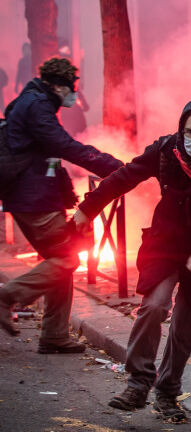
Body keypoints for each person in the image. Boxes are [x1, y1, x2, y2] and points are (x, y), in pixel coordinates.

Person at [72, 97, 191, 422]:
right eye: (189, 132)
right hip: (166, 242)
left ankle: (168, 392)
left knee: (185, 326)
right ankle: (138, 383)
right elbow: (126, 175)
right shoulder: (166, 150)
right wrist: (89, 207)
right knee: (154, 306)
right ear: (180, 129)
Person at [0, 58, 123, 348]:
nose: (73, 93)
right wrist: (113, 166)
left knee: (58, 260)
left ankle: (55, 334)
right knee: (67, 258)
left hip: (33, 195)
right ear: (56, 85)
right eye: (71, 87)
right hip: (34, 199)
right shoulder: (37, 106)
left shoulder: (29, 102)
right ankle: (6, 297)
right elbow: (63, 146)